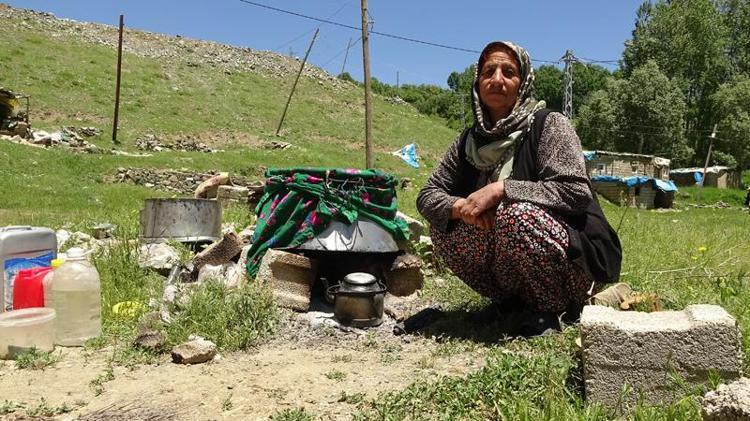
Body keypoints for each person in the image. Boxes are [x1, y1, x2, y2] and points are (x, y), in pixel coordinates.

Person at [416, 41, 622, 335]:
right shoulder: (468, 142)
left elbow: (575, 191)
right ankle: (512, 302)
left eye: (508, 72)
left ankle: (552, 309)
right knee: (443, 226)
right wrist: (459, 208)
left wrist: (502, 189)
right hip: (513, 262)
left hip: (577, 263)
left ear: (523, 82)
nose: (497, 79)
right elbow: (428, 195)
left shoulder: (549, 125)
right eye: (489, 71)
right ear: (477, 82)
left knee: (515, 216)